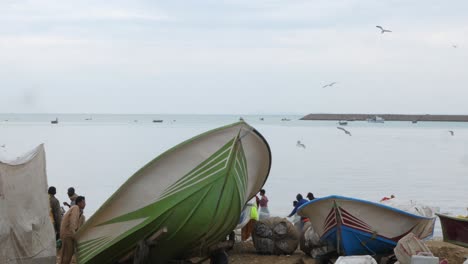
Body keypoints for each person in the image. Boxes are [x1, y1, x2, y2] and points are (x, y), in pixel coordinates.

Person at [60, 196, 86, 264]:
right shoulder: (76, 208)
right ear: (79, 203)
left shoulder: (79, 212)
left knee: (67, 255)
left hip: (68, 234)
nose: (85, 204)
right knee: (66, 256)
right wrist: (74, 234)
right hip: (68, 234)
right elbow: (73, 221)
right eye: (83, 202)